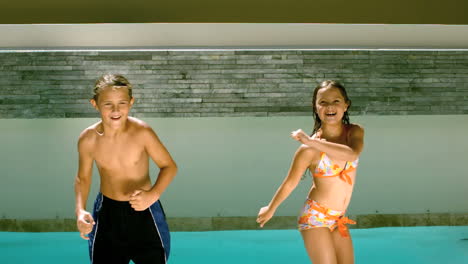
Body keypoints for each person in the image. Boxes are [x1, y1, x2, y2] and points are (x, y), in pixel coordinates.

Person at [257, 80, 364, 264]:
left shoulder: (354, 132)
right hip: (315, 218)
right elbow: (290, 182)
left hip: (338, 217)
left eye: (336, 101)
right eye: (323, 102)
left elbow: (351, 153)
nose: (329, 106)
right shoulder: (308, 150)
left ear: (346, 105)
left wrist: (311, 140)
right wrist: (271, 208)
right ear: (315, 107)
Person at [74, 74, 177, 264]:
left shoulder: (142, 132)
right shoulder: (88, 139)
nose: (115, 110)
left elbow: (169, 166)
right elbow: (83, 178)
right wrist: (80, 210)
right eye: (107, 104)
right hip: (107, 213)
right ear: (94, 104)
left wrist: (153, 194)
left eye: (122, 103)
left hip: (145, 211)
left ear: (131, 102)